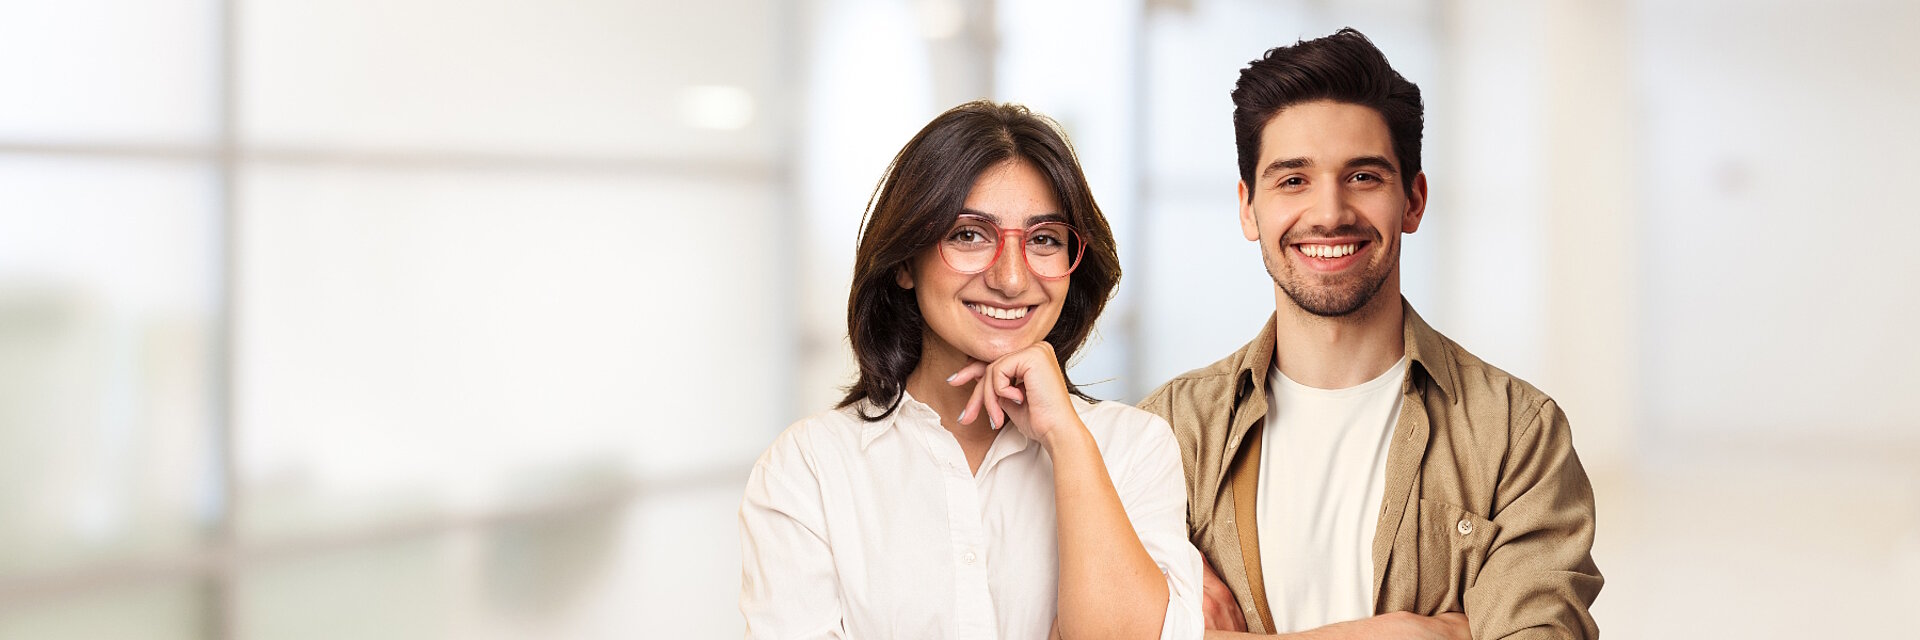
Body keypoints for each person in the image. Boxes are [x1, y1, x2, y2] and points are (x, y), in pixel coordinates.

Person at [1138, 29, 1603, 639]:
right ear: (1249, 208)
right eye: (1293, 180)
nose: (1329, 213)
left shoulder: (1517, 433)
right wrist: (1421, 634)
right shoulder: (1172, 432)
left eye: (1362, 176)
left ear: (1413, 200)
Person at [740, 100, 1202, 639]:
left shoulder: (1134, 448)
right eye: (969, 235)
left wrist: (1067, 441)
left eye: (1044, 239)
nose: (1010, 278)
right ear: (905, 262)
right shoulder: (809, 469)